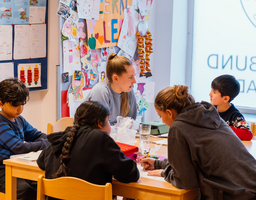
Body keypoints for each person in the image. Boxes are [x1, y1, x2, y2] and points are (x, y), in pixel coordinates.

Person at [139, 85, 256, 200]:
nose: (162, 121)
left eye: (160, 116)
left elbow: (186, 182)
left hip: (238, 195)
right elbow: (192, 162)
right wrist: (159, 164)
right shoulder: (210, 115)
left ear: (169, 113)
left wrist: (164, 173)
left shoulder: (178, 127)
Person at [37, 101, 139, 200]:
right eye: (107, 121)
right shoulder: (100, 138)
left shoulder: (63, 136)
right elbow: (130, 173)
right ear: (99, 123)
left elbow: (41, 161)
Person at [0, 78, 50, 200]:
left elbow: (37, 135)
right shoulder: (1, 123)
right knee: (26, 191)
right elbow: (19, 147)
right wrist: (45, 143)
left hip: (18, 167)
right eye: (15, 105)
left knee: (45, 184)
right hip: (3, 170)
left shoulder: (19, 119)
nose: (20, 108)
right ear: (1, 103)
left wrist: (52, 139)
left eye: (22, 104)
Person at [85, 53, 137, 125]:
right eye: (130, 77)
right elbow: (102, 128)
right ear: (115, 78)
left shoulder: (128, 91)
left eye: (134, 76)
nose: (134, 82)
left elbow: (131, 123)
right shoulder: (101, 91)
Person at [209, 74, 253, 140]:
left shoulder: (234, 115)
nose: (210, 94)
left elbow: (247, 134)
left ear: (225, 99)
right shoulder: (209, 109)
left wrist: (221, 128)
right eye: (211, 90)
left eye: (214, 92)